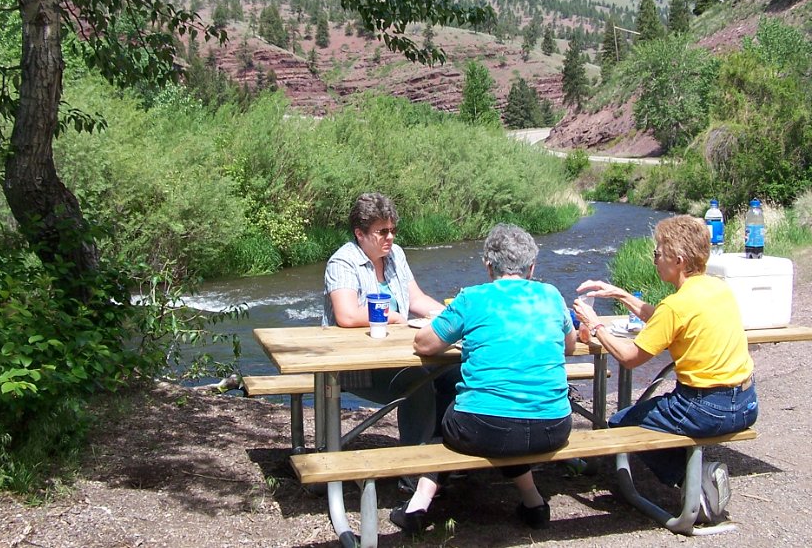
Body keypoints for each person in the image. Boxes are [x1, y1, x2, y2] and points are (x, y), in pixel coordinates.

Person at [390, 223, 576, 534]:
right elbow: (569, 346)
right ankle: (534, 502)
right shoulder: (552, 295)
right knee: (506, 417)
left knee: (448, 406)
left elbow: (424, 344)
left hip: (485, 428)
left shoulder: (473, 298)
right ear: (532, 267)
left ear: (488, 266)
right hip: (553, 427)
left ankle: (418, 505)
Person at [572, 214, 758, 525]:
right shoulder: (717, 288)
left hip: (705, 409)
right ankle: (695, 476)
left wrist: (595, 325)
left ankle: (696, 482)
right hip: (746, 404)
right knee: (648, 412)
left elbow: (630, 358)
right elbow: (665, 320)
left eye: (658, 253)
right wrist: (621, 294)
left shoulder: (676, 305)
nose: (655, 259)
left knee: (620, 422)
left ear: (679, 260)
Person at [323, 192, 457, 450]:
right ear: (360, 234)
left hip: (399, 355)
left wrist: (453, 317)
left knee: (454, 372)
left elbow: (417, 299)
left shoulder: (396, 255)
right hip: (355, 366)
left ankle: (441, 448)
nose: (390, 237)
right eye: (382, 232)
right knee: (418, 384)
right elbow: (346, 315)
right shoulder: (342, 262)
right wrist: (393, 317)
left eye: (393, 230)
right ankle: (415, 462)